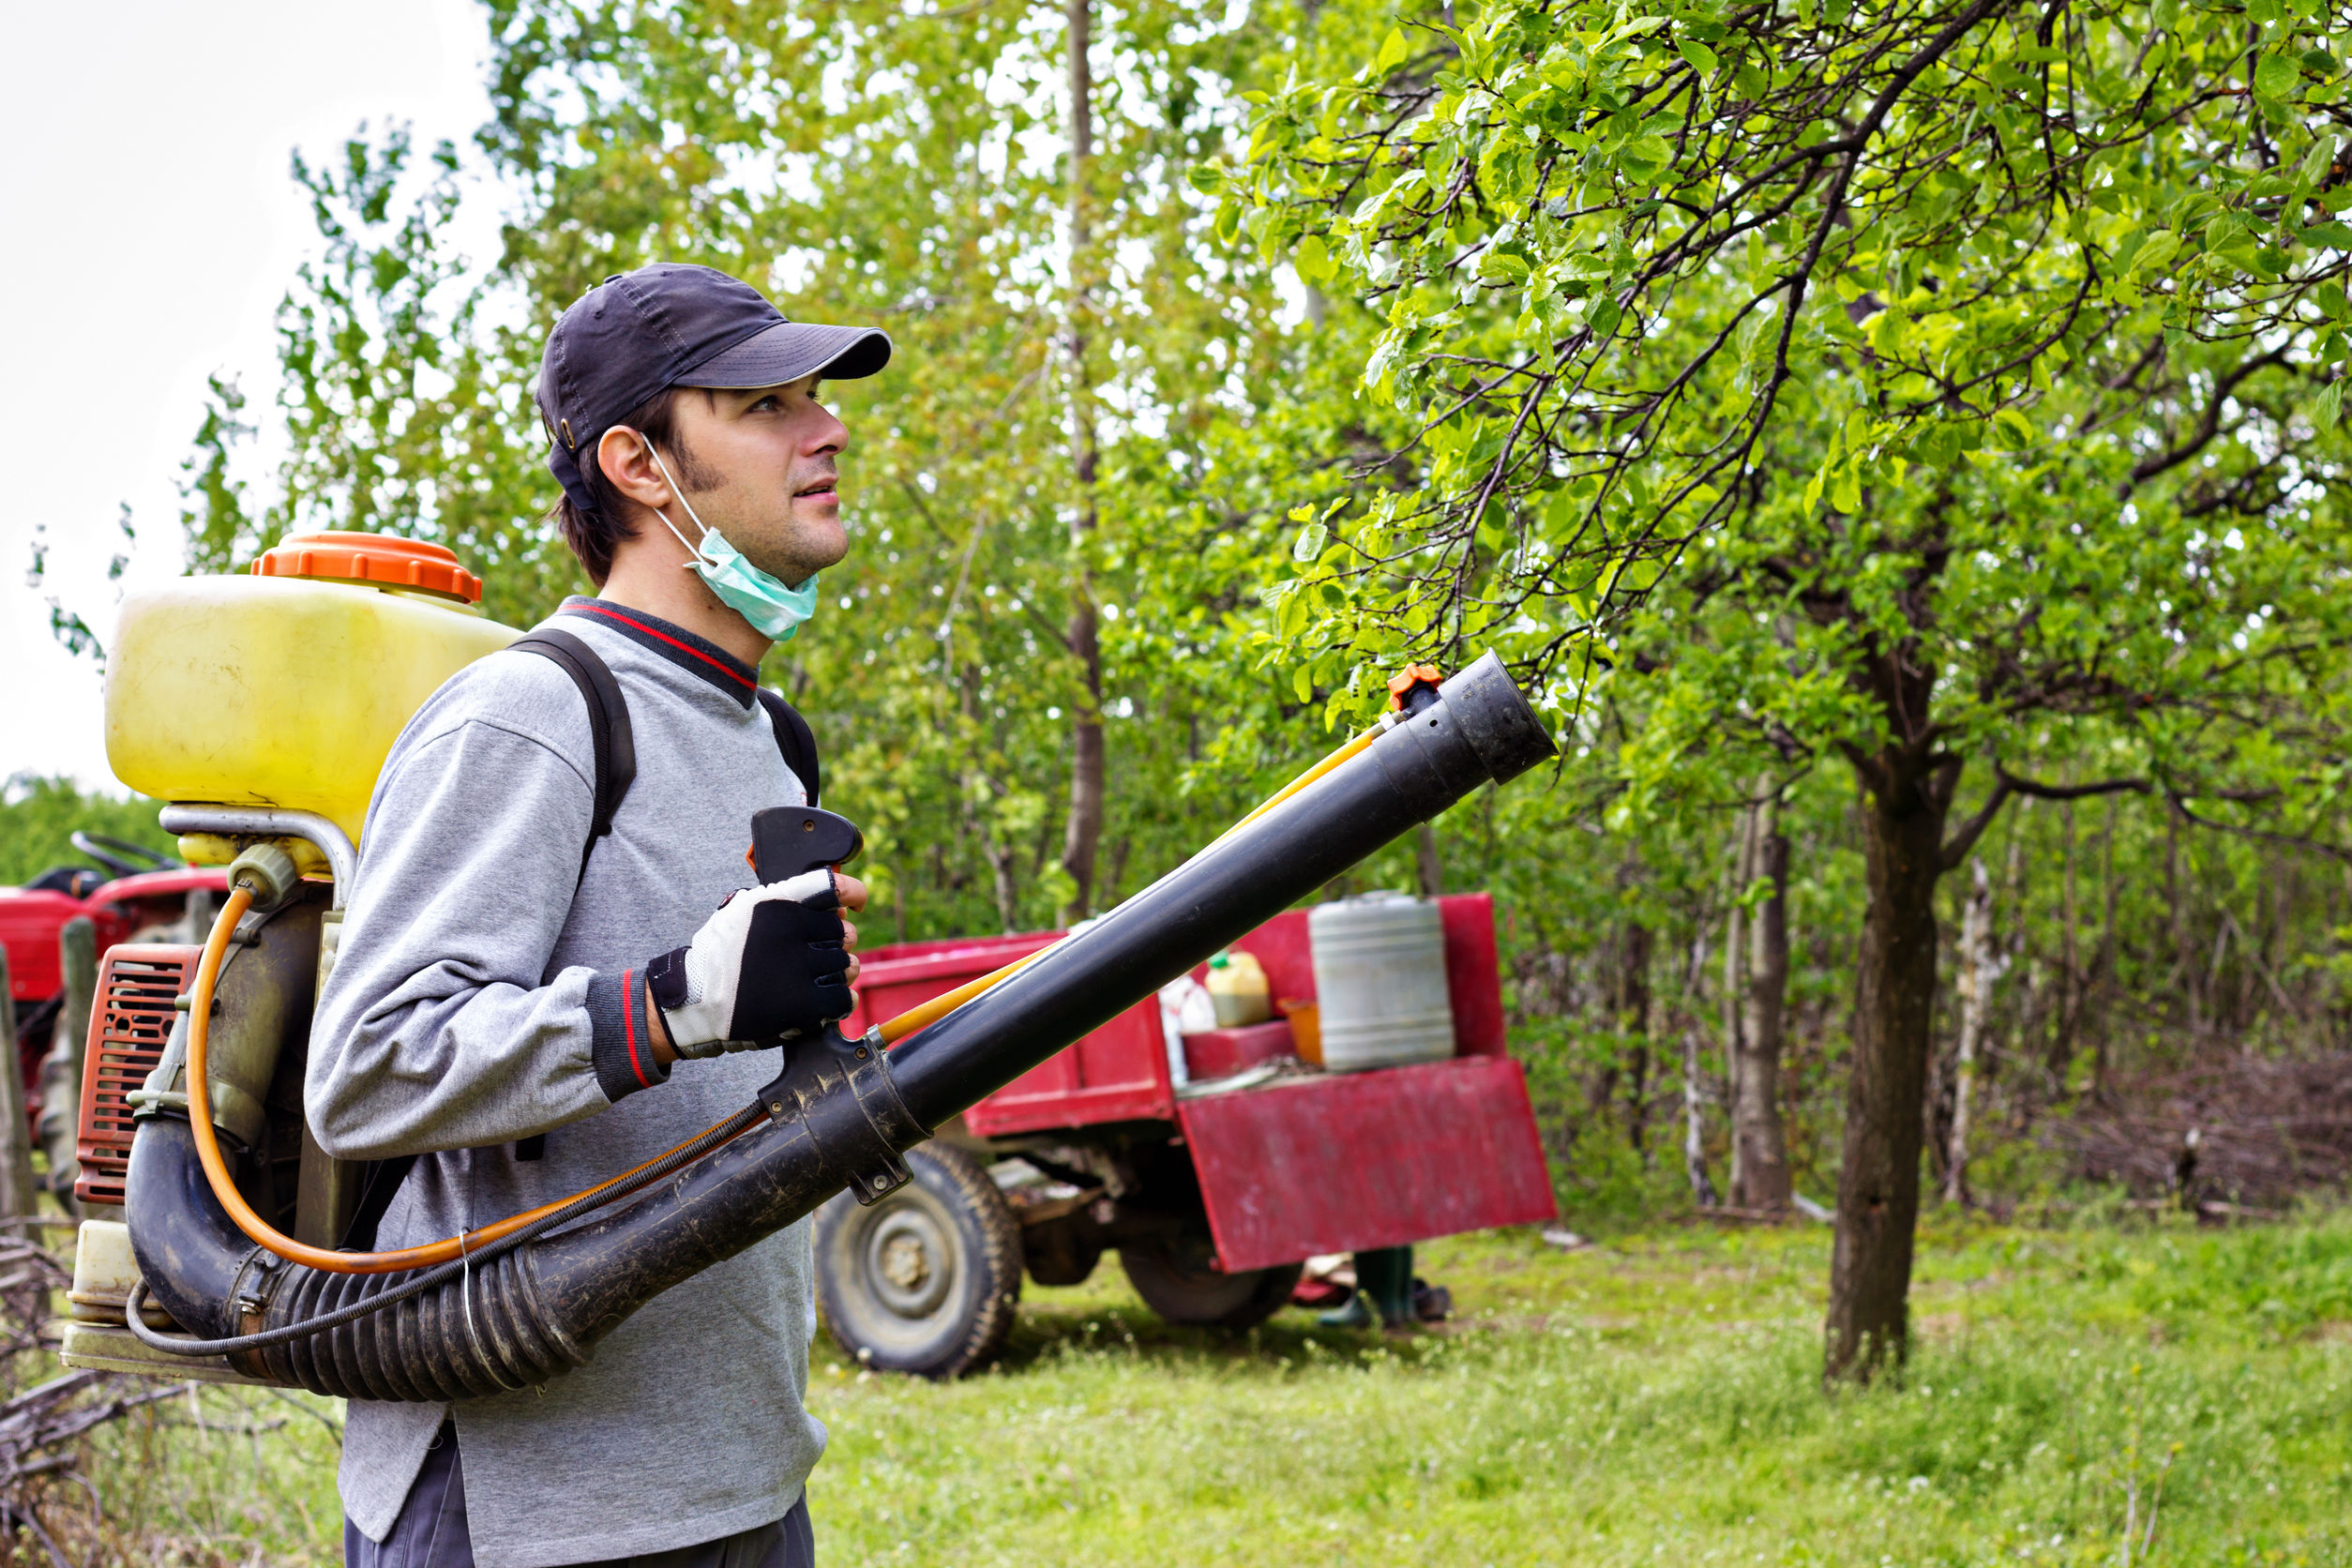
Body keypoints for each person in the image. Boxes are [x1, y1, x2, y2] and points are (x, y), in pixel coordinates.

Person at [308, 263, 892, 1568]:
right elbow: (366, 1069)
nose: (829, 429)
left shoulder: (770, 738)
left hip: (742, 1478)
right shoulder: (531, 713)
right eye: (768, 405)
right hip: (528, 1510)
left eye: (815, 398)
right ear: (639, 464)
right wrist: (671, 1004)